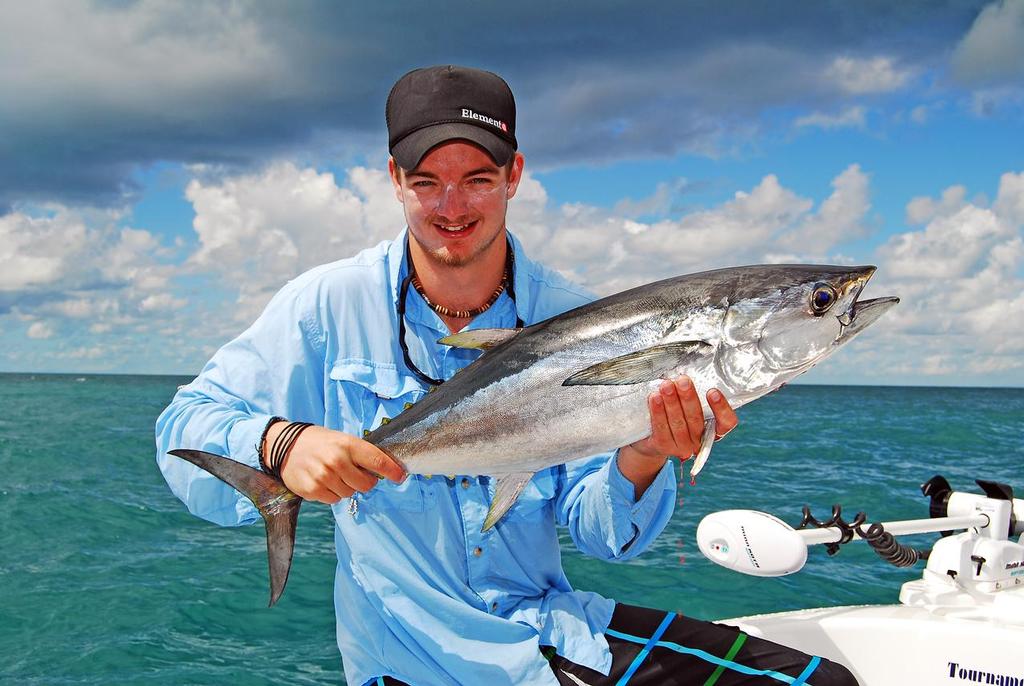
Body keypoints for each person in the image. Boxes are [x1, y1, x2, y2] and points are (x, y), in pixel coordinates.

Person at [156, 65, 857, 686]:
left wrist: (644, 455)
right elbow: (181, 434)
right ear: (395, 181)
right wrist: (281, 446)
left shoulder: (575, 314)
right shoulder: (327, 305)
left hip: (553, 636)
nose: (452, 208)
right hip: (408, 660)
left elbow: (604, 537)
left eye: (478, 181)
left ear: (514, 176)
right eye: (427, 182)